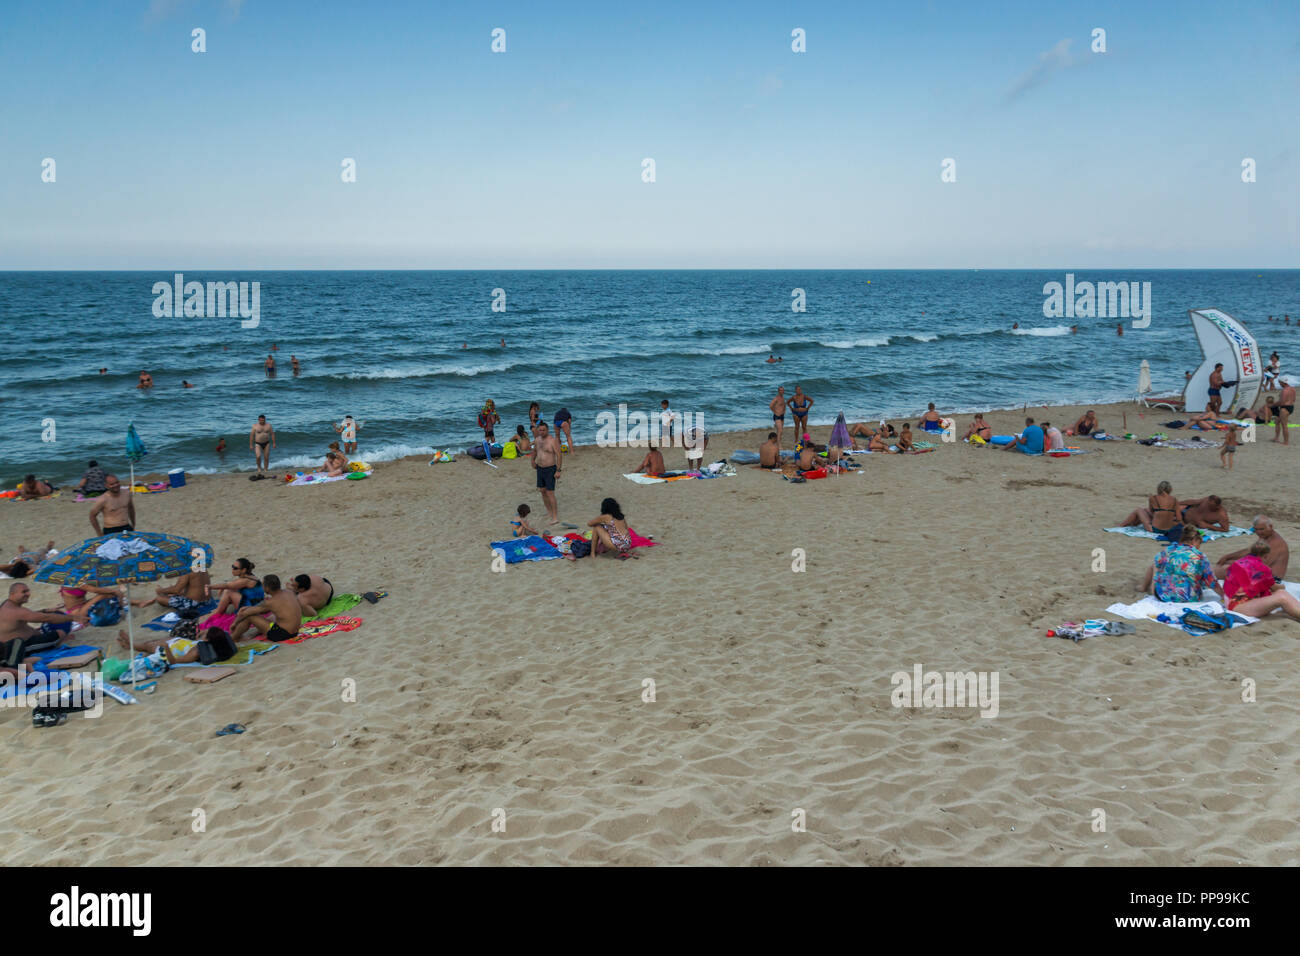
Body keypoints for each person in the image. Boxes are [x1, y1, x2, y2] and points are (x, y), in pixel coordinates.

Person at [0, 582, 81, 663]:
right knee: (60, 633)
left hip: (12, 643)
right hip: (16, 647)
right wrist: (73, 618)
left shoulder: (7, 605)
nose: (28, 594)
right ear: (12, 594)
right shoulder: (16, 611)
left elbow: (25, 615)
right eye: (24, 592)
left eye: (28, 591)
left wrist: (44, 610)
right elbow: (47, 618)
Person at [1221, 541, 1300, 621]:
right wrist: (1283, 586)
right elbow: (1275, 588)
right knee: (1282, 597)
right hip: (1237, 606)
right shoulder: (1262, 569)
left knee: (1281, 594)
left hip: (1229, 600)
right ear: (1266, 556)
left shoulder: (1238, 562)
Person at [1142, 526, 1219, 602]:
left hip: (1163, 596)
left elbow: (1157, 565)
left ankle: (1148, 589)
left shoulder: (1167, 551)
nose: (1199, 547)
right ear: (1194, 540)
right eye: (1199, 543)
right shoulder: (1200, 556)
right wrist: (1223, 595)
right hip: (1189, 598)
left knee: (1157, 566)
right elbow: (1211, 582)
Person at [230, 574, 302, 643]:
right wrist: (248, 608)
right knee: (272, 617)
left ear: (267, 588)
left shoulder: (270, 602)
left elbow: (245, 613)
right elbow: (263, 609)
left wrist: (234, 623)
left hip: (282, 635)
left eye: (263, 585)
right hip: (295, 632)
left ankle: (234, 638)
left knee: (250, 617)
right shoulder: (289, 592)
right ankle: (255, 632)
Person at [1213, 517, 1288, 580]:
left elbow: (1262, 567)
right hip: (1260, 571)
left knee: (1226, 569)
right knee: (1225, 563)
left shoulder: (1276, 543)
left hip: (1271, 579)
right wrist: (1228, 556)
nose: (1258, 532)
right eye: (1256, 529)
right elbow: (1249, 550)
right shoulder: (1265, 537)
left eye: (1261, 529)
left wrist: (1235, 563)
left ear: (1270, 527)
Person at [131, 568, 210, 614]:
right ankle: (147, 601)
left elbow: (176, 590)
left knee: (160, 598)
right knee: (172, 593)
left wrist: (161, 590)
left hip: (194, 605)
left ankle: (146, 601)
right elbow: (194, 586)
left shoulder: (187, 570)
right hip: (207, 601)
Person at [533, 422, 561, 524]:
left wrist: (558, 470)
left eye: (543, 430)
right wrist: (532, 460)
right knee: (542, 490)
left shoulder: (552, 441)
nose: (542, 432)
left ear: (547, 430)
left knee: (550, 493)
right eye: (540, 430)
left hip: (550, 469)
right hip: (540, 469)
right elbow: (535, 451)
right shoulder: (537, 440)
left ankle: (555, 517)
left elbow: (559, 455)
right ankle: (549, 512)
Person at [1271, 378, 1294, 445]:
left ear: (1283, 382)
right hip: (1290, 406)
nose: (1279, 384)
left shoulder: (1284, 390)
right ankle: (1276, 438)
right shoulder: (1292, 389)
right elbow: (1294, 399)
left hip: (1284, 408)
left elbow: (1282, 402)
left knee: (1284, 425)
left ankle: (1286, 442)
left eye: (1280, 383)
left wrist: (1273, 405)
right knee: (1277, 421)